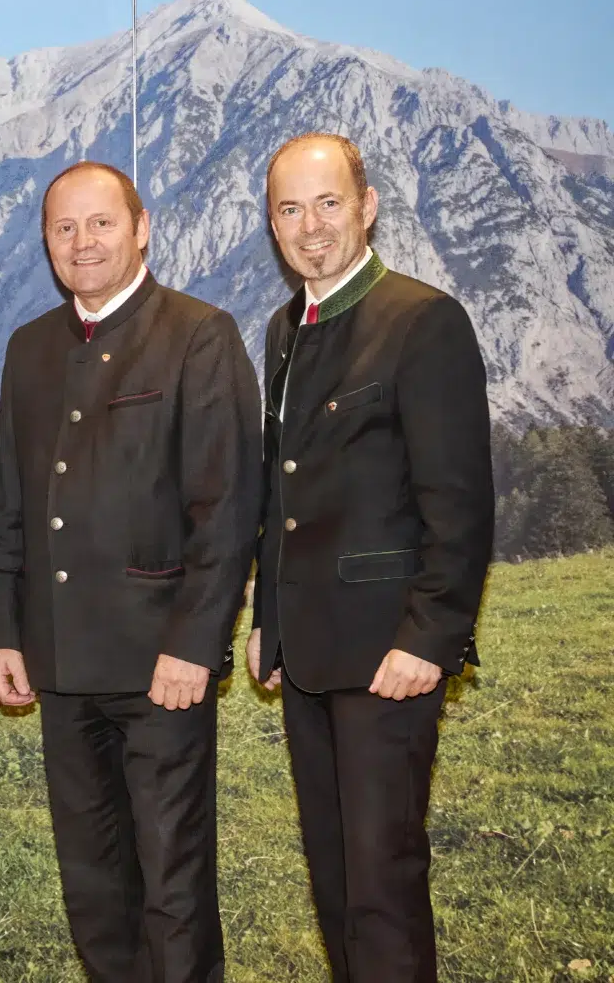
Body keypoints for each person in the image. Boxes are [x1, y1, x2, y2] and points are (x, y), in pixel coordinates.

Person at [0, 162, 261, 983]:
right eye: (64, 229)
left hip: (158, 665)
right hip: (59, 663)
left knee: (171, 878)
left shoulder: (198, 333)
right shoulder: (31, 347)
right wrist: (3, 632)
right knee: (94, 883)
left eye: (100, 223)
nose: (83, 243)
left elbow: (228, 507)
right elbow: (12, 505)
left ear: (141, 228)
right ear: (46, 242)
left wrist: (195, 644)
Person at [248, 133, 493, 983]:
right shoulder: (285, 329)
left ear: (367, 205)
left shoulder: (423, 320)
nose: (310, 227)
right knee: (335, 879)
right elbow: (282, 494)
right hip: (308, 655)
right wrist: (267, 624)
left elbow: (458, 504)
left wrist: (429, 639)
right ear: (272, 225)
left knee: (382, 885)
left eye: (327, 203)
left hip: (390, 654)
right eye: (290, 209)